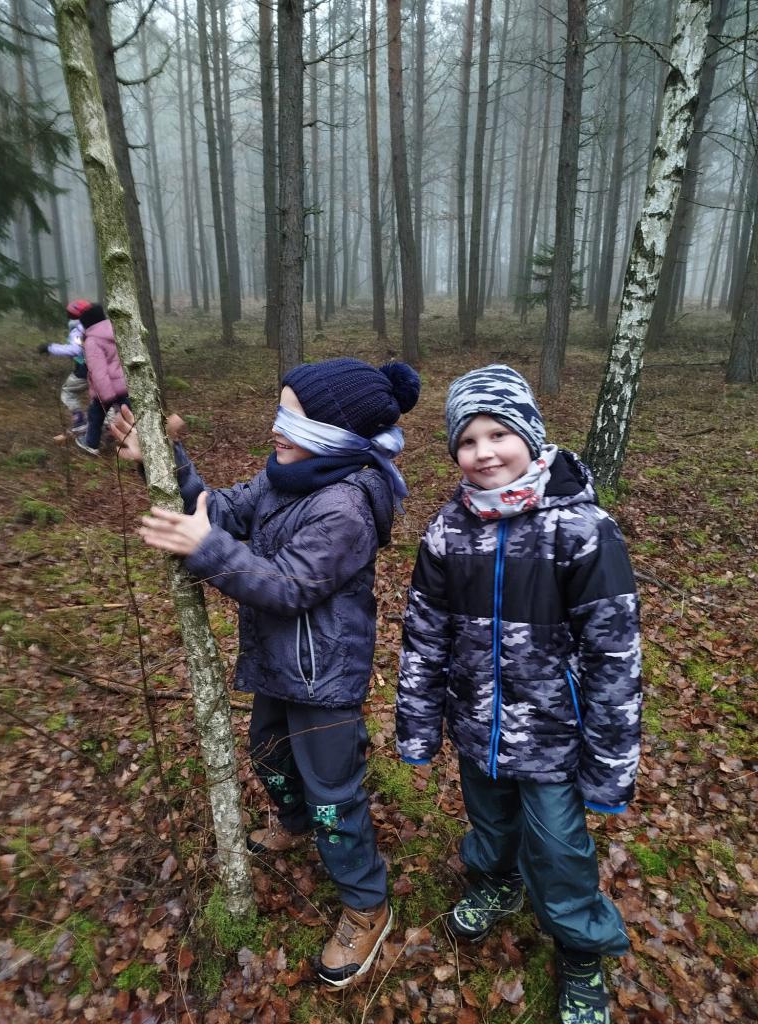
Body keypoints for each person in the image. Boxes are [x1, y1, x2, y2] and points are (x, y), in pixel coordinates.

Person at [112, 358, 421, 989]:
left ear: (335, 434)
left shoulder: (346, 506)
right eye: (279, 413)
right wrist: (165, 462)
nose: (276, 429)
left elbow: (287, 586)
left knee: (333, 794)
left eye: (293, 419)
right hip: (278, 665)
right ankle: (294, 821)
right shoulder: (284, 477)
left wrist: (205, 550)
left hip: (324, 679)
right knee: (268, 752)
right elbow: (220, 510)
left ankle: (366, 904)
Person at [396, 365, 641, 1024]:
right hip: (477, 724)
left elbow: (614, 656)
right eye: (467, 440)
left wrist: (610, 762)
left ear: (530, 436)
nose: (483, 452)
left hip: (554, 736)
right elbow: (424, 638)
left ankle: (581, 950)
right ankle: (498, 882)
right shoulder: (448, 532)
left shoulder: (583, 530)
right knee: (492, 822)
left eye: (498, 433)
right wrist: (417, 726)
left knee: (559, 849)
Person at [74, 303, 129, 456]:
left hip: (107, 387)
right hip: (125, 384)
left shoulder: (92, 341)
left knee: (95, 415)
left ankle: (91, 443)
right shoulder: (115, 331)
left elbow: (98, 371)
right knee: (129, 415)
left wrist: (106, 395)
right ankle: (136, 442)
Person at [38, 298, 92, 434]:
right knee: (104, 397)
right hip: (103, 368)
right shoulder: (97, 325)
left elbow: (76, 350)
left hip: (86, 369)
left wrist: (50, 347)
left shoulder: (78, 330)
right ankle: (111, 426)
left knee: (68, 392)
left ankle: (79, 420)